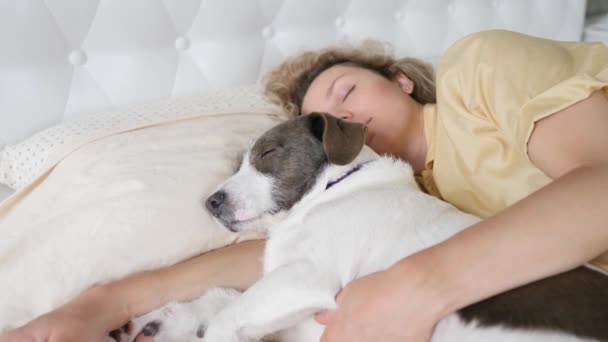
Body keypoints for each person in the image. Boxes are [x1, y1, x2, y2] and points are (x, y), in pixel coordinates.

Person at [2, 29, 607, 342]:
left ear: (399, 80)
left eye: (347, 91)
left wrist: (416, 285)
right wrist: (100, 303)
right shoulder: (406, 197)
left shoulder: (478, 70)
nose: (346, 122)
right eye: (323, 120)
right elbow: (279, 258)